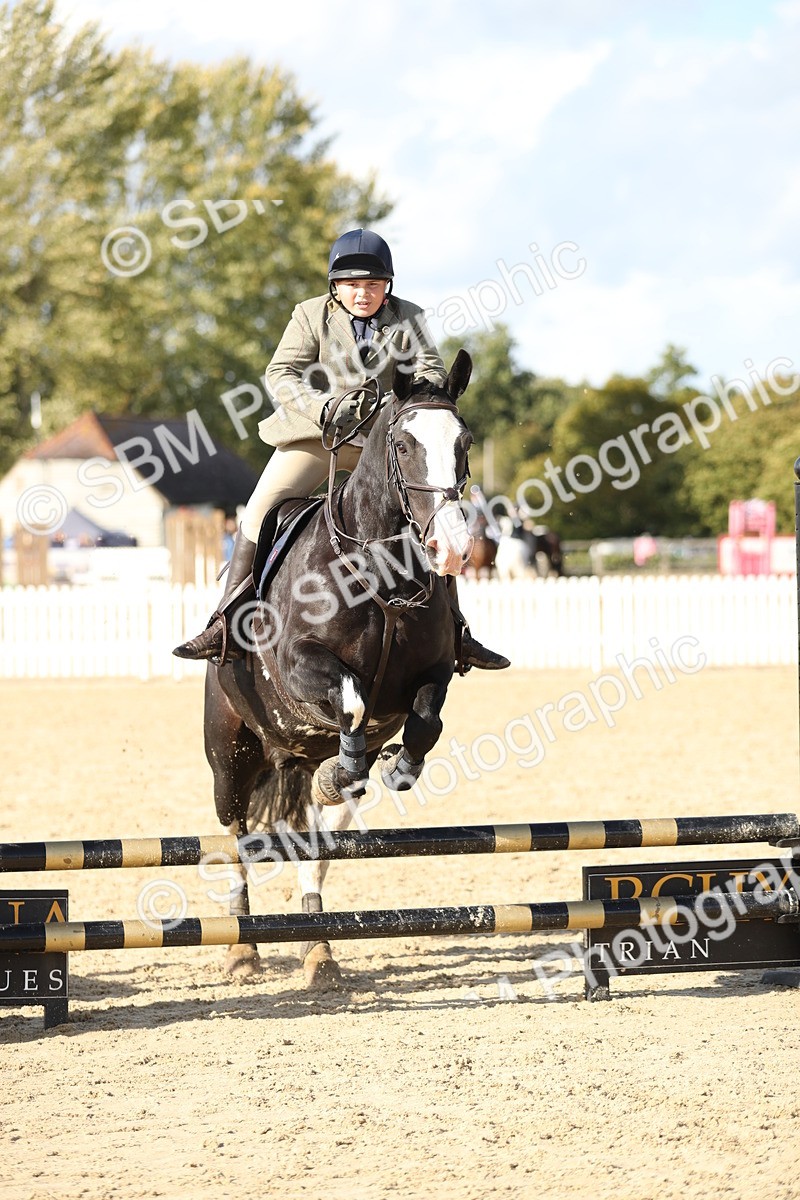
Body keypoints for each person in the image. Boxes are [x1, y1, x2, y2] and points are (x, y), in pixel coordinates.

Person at [173, 229, 509, 670]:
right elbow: (282, 373)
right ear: (336, 286)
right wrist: (322, 407)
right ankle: (227, 621)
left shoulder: (409, 317)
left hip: (383, 443)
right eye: (353, 285)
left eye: (373, 285)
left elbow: (429, 368)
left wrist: (414, 400)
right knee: (256, 512)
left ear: (387, 286)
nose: (363, 294)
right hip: (318, 435)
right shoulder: (310, 315)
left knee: (434, 518)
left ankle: (458, 633)